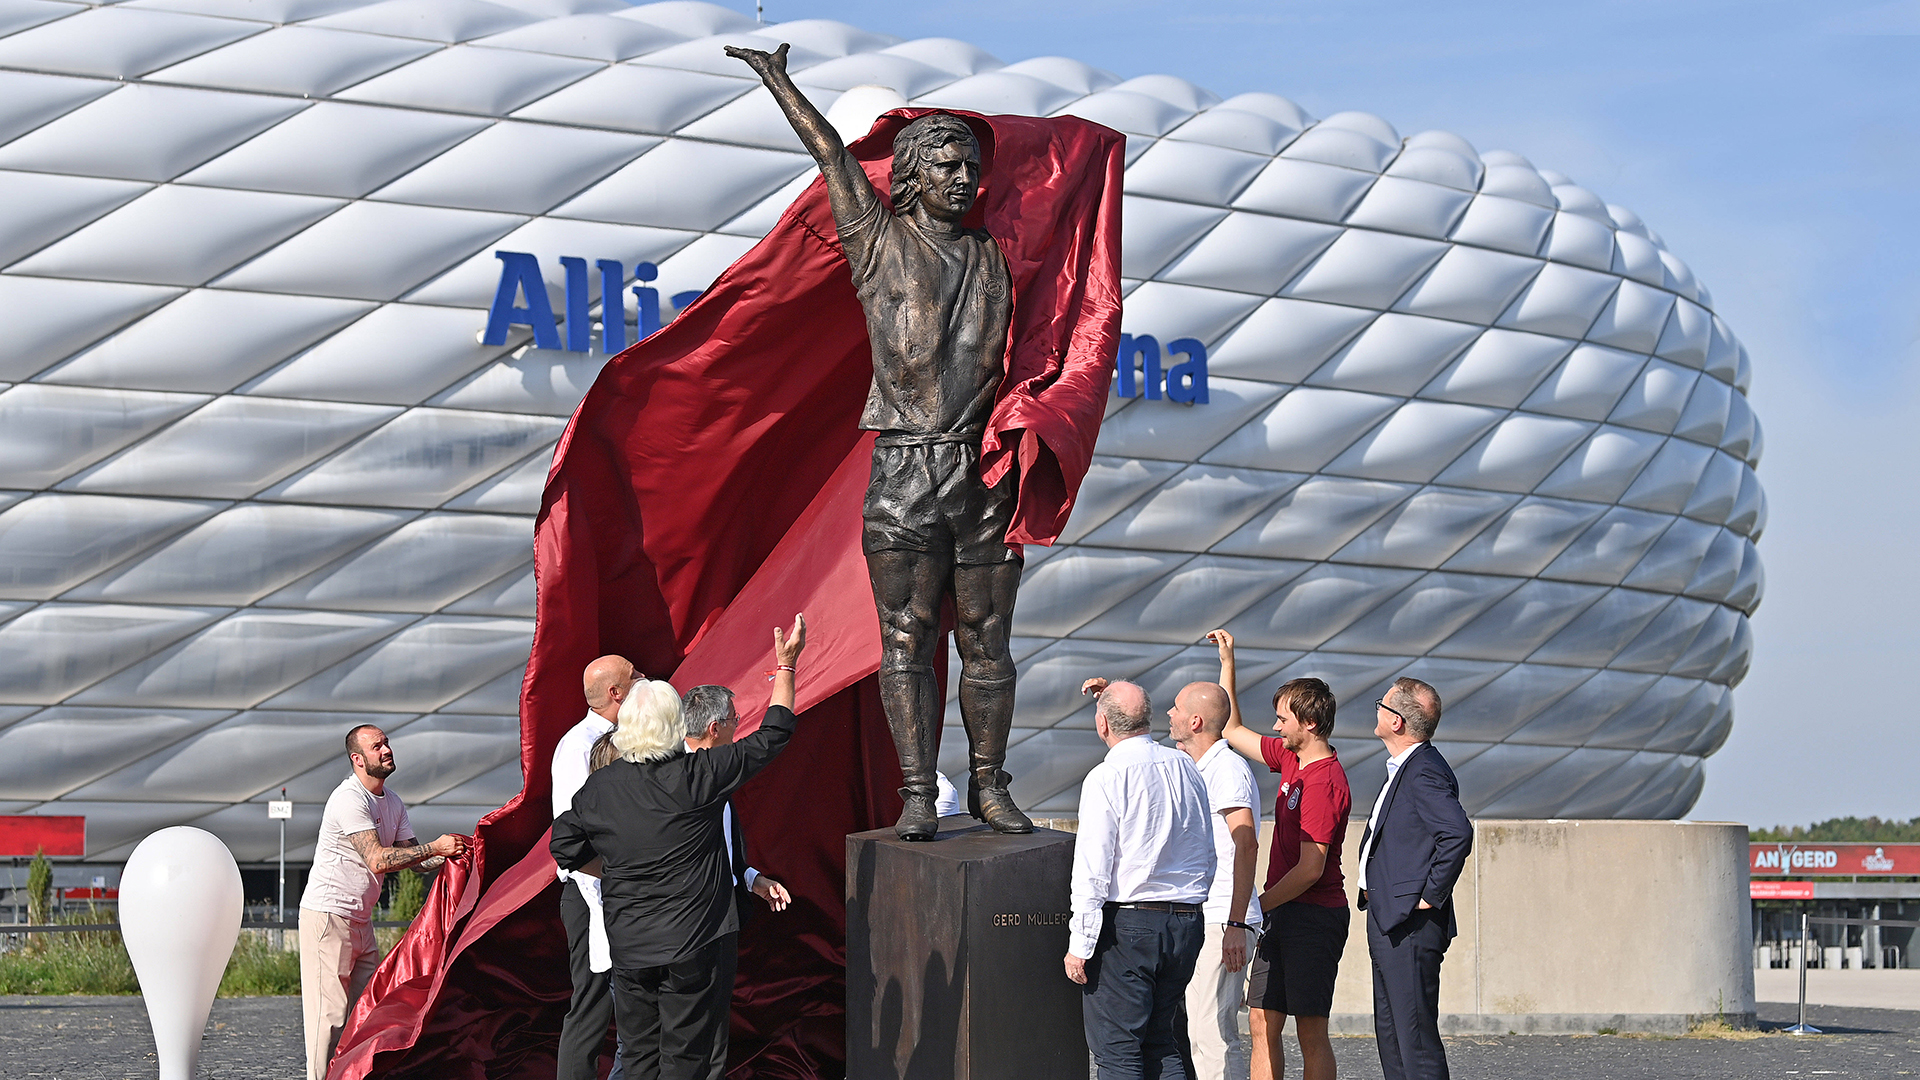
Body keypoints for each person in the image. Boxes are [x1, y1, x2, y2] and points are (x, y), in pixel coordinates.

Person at [727, 41, 1031, 841]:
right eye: (948, 167)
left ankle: (991, 786)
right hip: (902, 466)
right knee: (906, 637)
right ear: (910, 177)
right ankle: (918, 793)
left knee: (988, 640)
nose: (966, 179)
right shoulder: (878, 239)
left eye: (971, 166)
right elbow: (830, 156)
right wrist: (780, 81)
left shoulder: (995, 254)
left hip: (982, 469)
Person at [551, 615, 807, 1080]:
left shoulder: (602, 787)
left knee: (641, 1058)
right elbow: (773, 735)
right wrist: (785, 668)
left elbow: (562, 845)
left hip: (630, 948)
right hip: (690, 946)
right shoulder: (696, 776)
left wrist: (610, 868)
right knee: (684, 1060)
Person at [1211, 630, 1351, 1080]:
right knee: (1260, 1019)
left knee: (1310, 1032)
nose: (1275, 727)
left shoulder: (1323, 780)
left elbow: (1311, 869)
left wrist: (1257, 905)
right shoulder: (1292, 759)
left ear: (1309, 724)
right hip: (1282, 913)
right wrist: (1228, 662)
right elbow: (1231, 730)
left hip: (1314, 916)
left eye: (1282, 719)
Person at [1066, 678, 1216, 1080]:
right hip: (1185, 919)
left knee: (1117, 1054)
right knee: (1162, 1043)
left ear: (1102, 726)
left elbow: (1093, 868)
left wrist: (1080, 943)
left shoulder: (1106, 776)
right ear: (1148, 719)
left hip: (1129, 926)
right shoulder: (1185, 766)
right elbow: (1206, 847)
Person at [299, 725, 466, 1080]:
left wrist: (460, 851)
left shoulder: (392, 801)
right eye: (377, 746)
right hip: (328, 916)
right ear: (357, 759)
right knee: (327, 1019)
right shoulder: (349, 799)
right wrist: (436, 847)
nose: (387, 750)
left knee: (367, 1011)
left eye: (387, 743)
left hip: (361, 919)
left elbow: (414, 860)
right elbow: (377, 859)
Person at [1354, 678, 1471, 1080]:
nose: (1377, 710)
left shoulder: (1422, 771)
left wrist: (1427, 896)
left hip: (1410, 924)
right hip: (1391, 918)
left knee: (1414, 1042)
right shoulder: (1408, 768)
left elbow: (1457, 833)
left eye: (1381, 705)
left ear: (1398, 721)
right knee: (1394, 1039)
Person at [1164, 679, 1261, 1080]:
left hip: (1225, 919)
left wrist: (1236, 923)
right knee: (1197, 1032)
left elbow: (1247, 844)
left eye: (1176, 707)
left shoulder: (1227, 769)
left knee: (1212, 1034)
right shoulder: (1198, 766)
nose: (1169, 714)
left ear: (1196, 720)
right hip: (1208, 918)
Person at [553, 655, 639, 1080]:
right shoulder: (579, 746)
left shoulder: (632, 736)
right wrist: (610, 886)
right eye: (635, 676)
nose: (644, 679)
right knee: (591, 1003)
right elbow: (570, 836)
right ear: (616, 693)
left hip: (623, 890)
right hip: (593, 892)